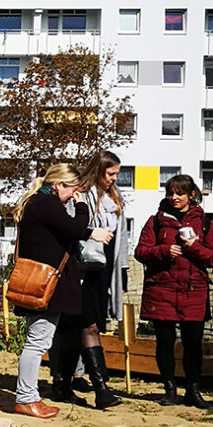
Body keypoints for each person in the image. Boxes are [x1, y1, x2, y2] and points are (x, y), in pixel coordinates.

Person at [10, 164, 112, 419]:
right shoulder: (45, 204)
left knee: (38, 340)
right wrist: (83, 208)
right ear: (60, 185)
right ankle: (26, 398)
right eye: (73, 189)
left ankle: (30, 396)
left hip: (45, 283)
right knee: (37, 343)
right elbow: (75, 229)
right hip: (46, 285)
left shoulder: (39, 203)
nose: (74, 195)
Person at [135, 174, 213, 408]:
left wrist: (193, 248)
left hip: (194, 290)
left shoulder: (206, 222)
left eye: (179, 193)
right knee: (164, 343)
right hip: (162, 289)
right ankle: (169, 389)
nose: (174, 197)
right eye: (170, 193)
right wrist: (164, 251)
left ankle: (193, 390)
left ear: (192, 195)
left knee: (193, 344)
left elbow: (210, 257)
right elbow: (141, 251)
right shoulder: (155, 221)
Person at [71, 151, 129, 408]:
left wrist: (124, 269)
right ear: (99, 171)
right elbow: (72, 229)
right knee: (87, 325)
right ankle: (99, 387)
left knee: (90, 325)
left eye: (116, 174)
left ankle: (76, 380)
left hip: (106, 269)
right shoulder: (83, 195)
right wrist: (92, 233)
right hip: (85, 268)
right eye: (110, 174)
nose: (114, 179)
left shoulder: (114, 198)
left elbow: (122, 237)